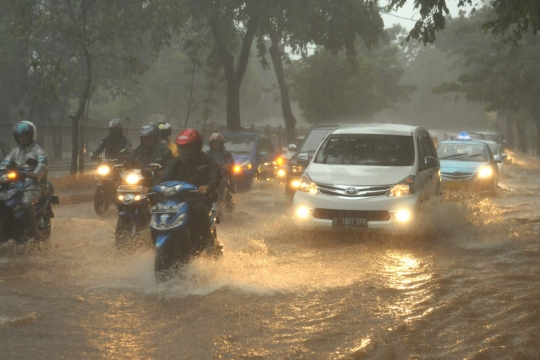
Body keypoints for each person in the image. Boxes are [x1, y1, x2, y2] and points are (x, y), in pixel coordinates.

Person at [157, 129, 221, 249]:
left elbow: (216, 176)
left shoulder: (208, 161)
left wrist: (208, 187)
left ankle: (208, 242)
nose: (185, 152)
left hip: (200, 199)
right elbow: (164, 177)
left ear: (197, 147)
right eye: (182, 148)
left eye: (189, 148)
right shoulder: (175, 163)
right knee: (158, 210)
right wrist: (152, 189)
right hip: (177, 199)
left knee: (200, 211)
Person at [0, 121, 48, 239]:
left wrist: (35, 173)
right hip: (16, 183)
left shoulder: (38, 150)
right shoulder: (15, 151)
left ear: (31, 136)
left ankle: (35, 231)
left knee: (26, 203)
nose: (22, 139)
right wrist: (2, 170)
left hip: (33, 184)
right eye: (20, 136)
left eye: (25, 136)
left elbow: (43, 164)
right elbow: (5, 162)